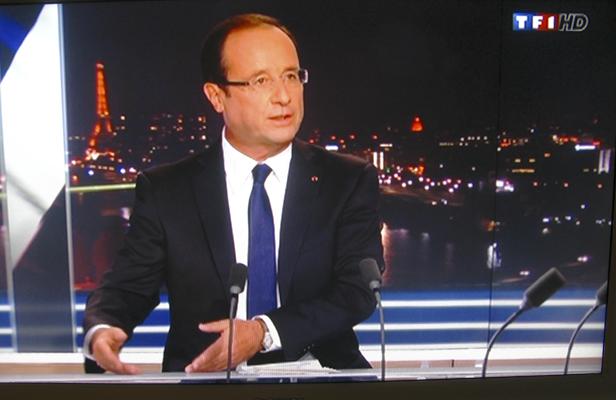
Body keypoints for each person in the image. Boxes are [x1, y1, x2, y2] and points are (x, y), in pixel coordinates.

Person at [83, 13, 384, 374]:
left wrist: (263, 332)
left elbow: (357, 290)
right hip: (205, 379)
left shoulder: (347, 180)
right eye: (261, 81)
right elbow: (128, 286)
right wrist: (104, 328)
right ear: (216, 96)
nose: (284, 96)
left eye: (291, 76)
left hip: (323, 377)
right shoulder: (167, 190)